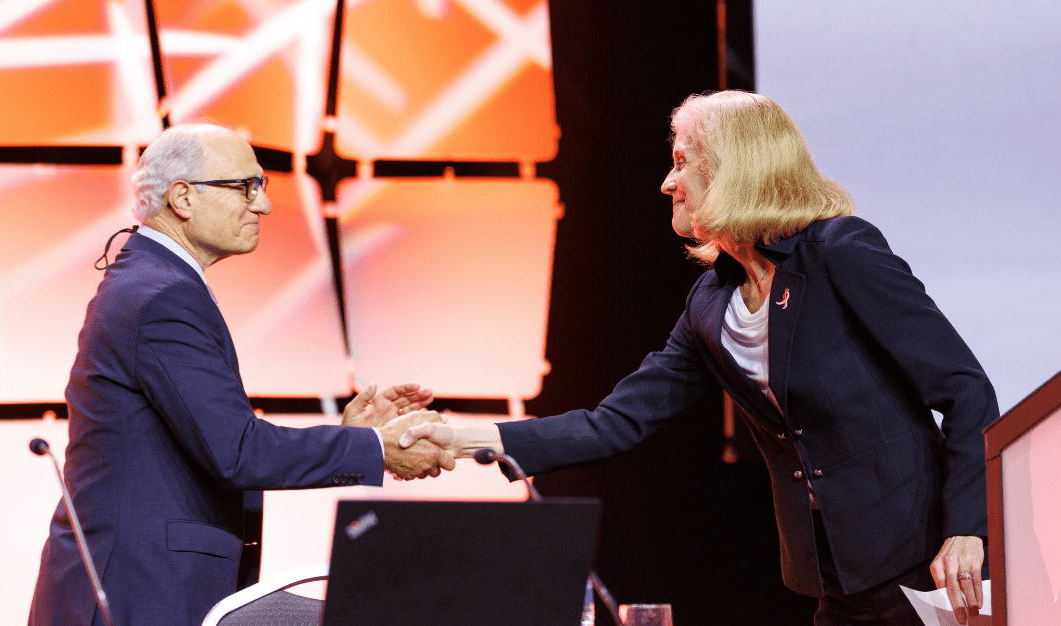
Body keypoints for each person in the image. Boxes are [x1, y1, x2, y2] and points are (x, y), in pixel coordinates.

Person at [400, 91, 998, 626]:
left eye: (683, 162)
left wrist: (967, 528)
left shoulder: (839, 251)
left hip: (922, 564)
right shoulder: (711, 303)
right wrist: (453, 437)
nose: (667, 181)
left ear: (737, 167)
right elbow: (616, 423)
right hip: (834, 574)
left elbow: (966, 389)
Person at [28, 123, 454, 626]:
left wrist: (350, 438)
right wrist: (376, 449)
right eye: (245, 187)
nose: (264, 206)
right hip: (135, 594)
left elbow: (215, 441)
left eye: (264, 187)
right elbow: (236, 452)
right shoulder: (162, 296)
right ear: (182, 198)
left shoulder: (152, 282)